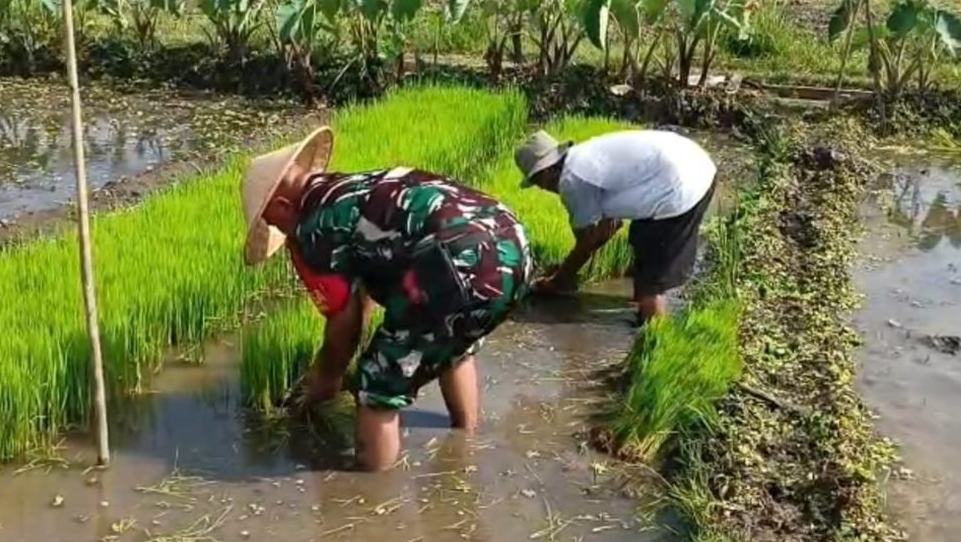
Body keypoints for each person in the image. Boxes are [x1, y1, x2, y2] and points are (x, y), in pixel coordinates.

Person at [241, 127, 533, 471]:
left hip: (452, 266)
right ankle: (464, 442)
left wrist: (327, 381)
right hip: (514, 245)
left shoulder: (313, 228)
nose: (275, 228)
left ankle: (372, 499)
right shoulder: (350, 188)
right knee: (450, 344)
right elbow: (359, 297)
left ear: (282, 205)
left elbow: (343, 321)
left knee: (377, 383)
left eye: (269, 219)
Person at [514, 128, 716, 323]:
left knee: (652, 282)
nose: (543, 189)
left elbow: (590, 237)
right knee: (641, 242)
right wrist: (567, 271)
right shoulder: (583, 161)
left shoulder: (571, 179)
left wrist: (560, 279)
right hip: (694, 164)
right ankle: (640, 311)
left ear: (545, 172)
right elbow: (609, 227)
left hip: (678, 185)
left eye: (538, 182)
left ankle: (654, 338)